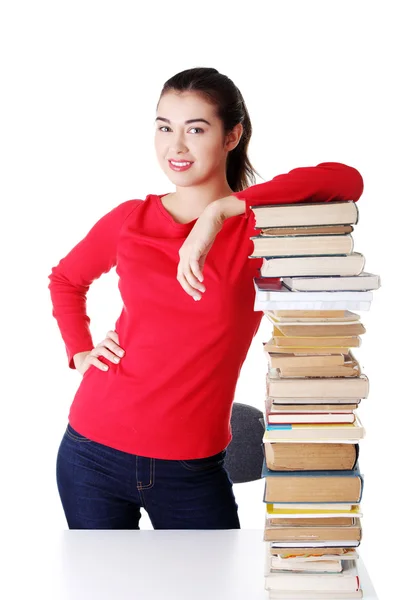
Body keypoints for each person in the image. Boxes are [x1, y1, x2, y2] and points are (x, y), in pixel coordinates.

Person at [48, 66, 364, 530]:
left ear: (232, 135)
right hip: (90, 454)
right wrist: (78, 351)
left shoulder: (259, 231)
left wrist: (222, 210)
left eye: (196, 129)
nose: (176, 146)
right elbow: (66, 280)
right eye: (164, 128)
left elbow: (347, 180)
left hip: (193, 469)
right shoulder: (130, 219)